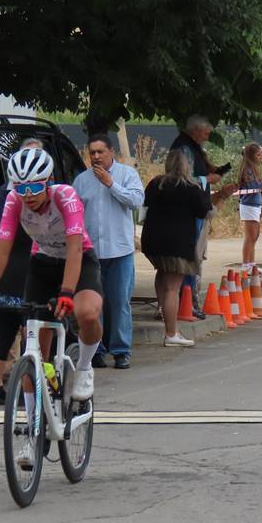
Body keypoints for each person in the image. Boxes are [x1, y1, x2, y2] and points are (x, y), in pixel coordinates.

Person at [0, 147, 103, 420]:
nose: (27, 195)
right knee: (33, 354)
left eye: (33, 186)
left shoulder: (65, 196)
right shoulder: (13, 202)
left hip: (78, 261)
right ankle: (32, 427)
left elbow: (76, 249)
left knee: (87, 313)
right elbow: (1, 250)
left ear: (49, 181)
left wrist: (67, 292)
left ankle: (85, 366)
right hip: (42, 264)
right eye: (20, 188)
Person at [73, 134, 144, 371]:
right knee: (95, 305)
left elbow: (136, 201)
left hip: (120, 250)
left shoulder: (127, 175)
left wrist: (110, 184)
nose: (95, 157)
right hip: (92, 252)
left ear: (111, 152)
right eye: (91, 152)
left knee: (119, 301)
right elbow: (74, 213)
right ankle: (96, 351)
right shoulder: (82, 180)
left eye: (100, 152)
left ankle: (121, 350)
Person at [0, 138, 40, 406]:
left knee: (31, 329)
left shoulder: (39, 193)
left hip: (28, 263)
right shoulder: (4, 196)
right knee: (7, 327)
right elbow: (0, 233)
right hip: (13, 263)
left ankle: (26, 385)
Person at [141, 150, 212, 347]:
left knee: (162, 276)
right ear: (187, 166)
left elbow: (145, 205)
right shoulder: (191, 187)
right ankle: (171, 333)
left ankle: (164, 313)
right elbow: (204, 210)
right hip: (177, 244)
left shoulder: (156, 183)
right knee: (173, 288)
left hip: (153, 241)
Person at [169, 115, 230, 318]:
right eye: (206, 133)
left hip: (196, 208)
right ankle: (187, 303)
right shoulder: (184, 148)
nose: (207, 137)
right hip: (189, 210)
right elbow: (183, 178)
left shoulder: (192, 146)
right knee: (190, 256)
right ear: (196, 130)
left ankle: (190, 301)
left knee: (194, 256)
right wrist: (208, 178)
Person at [236, 142, 262, 270]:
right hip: (249, 205)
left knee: (255, 236)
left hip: (255, 205)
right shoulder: (247, 170)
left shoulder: (254, 169)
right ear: (251, 156)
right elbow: (252, 186)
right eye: (258, 154)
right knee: (250, 236)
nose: (261, 157)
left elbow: (257, 186)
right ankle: (246, 265)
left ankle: (251, 264)